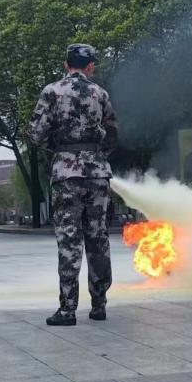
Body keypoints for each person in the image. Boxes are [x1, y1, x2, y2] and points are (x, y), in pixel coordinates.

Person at [29, 44, 118, 326]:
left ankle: (68, 309)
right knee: (98, 238)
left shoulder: (52, 91)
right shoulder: (100, 93)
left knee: (69, 240)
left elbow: (36, 134)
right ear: (89, 66)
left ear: (66, 64)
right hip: (97, 173)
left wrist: (59, 150)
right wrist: (97, 154)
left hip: (66, 173)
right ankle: (99, 304)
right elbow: (113, 133)